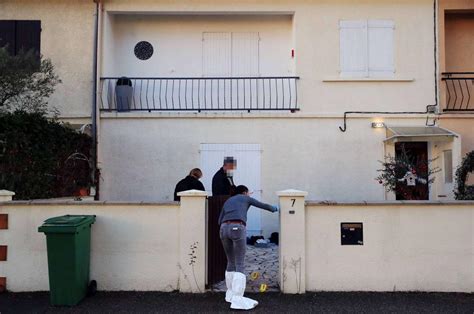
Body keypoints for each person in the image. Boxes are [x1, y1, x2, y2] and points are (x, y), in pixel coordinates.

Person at [218, 185, 278, 310]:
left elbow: (219, 220)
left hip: (223, 229)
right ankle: (238, 298)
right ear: (244, 192)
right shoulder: (245, 198)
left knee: (230, 261)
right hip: (237, 227)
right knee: (239, 263)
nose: (249, 194)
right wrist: (275, 208)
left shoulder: (228, 201)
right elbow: (264, 206)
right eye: (248, 192)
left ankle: (230, 294)